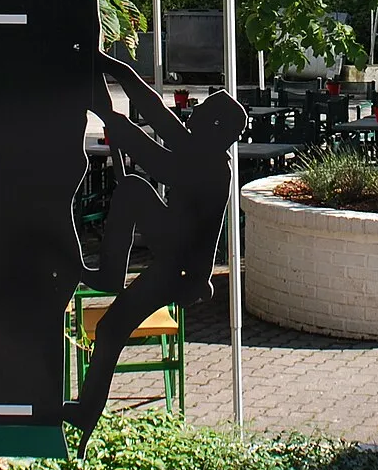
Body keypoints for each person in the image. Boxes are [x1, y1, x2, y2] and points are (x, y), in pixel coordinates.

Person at [63, 52, 246, 441]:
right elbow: (154, 109)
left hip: (179, 270)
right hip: (172, 247)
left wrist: (115, 122)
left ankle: (85, 411)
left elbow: (155, 159)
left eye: (201, 112)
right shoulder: (202, 147)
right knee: (131, 192)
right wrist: (113, 67)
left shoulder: (212, 167)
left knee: (113, 328)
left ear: (215, 128)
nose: (190, 115)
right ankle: (86, 410)